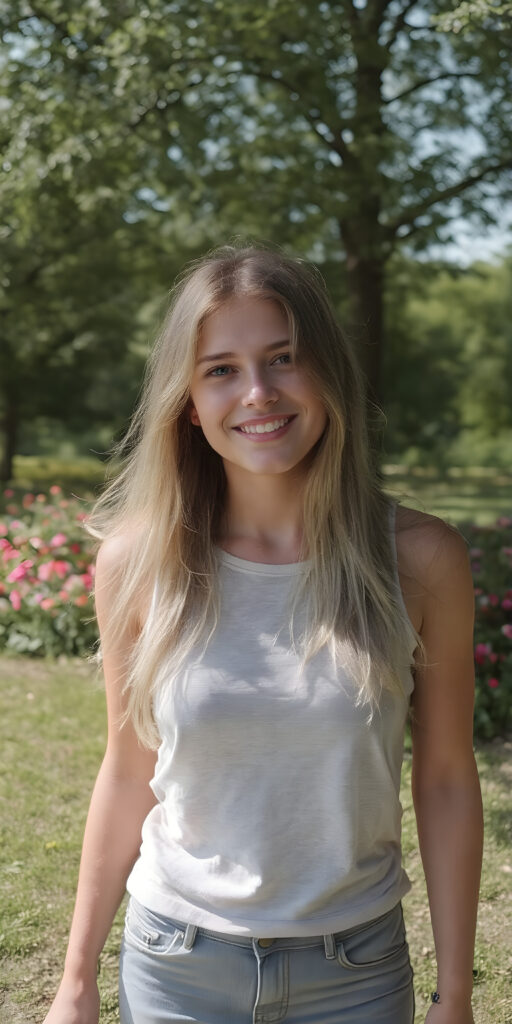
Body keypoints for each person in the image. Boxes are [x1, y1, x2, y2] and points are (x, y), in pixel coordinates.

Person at [43, 244, 483, 1024]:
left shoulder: (419, 561)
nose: (257, 392)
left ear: (326, 373)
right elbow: (127, 768)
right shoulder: (138, 563)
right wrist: (75, 984)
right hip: (178, 967)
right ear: (187, 398)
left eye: (283, 357)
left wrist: (456, 996)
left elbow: (446, 779)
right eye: (220, 369)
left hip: (356, 974)